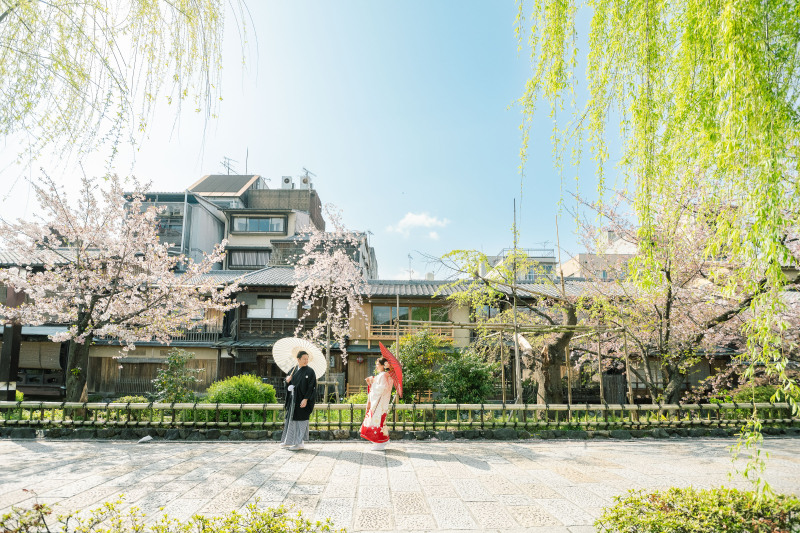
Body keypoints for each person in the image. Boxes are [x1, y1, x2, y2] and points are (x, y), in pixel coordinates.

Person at [280, 351, 316, 450]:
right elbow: (288, 383)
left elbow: (311, 387)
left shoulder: (310, 371)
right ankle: (288, 441)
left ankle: (300, 443)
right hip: (293, 400)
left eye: (307, 359)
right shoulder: (293, 369)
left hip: (303, 400)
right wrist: (287, 383)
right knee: (291, 419)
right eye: (304, 358)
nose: (306, 361)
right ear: (298, 359)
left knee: (301, 420)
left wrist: (306, 399)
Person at [360, 357, 395, 451]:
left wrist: (372, 384)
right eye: (376, 364)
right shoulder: (384, 375)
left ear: (384, 366)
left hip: (379, 403)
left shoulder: (383, 375)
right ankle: (381, 441)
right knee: (379, 422)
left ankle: (379, 442)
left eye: (378, 364)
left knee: (377, 422)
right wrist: (372, 381)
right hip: (380, 403)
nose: (376, 366)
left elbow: (382, 388)